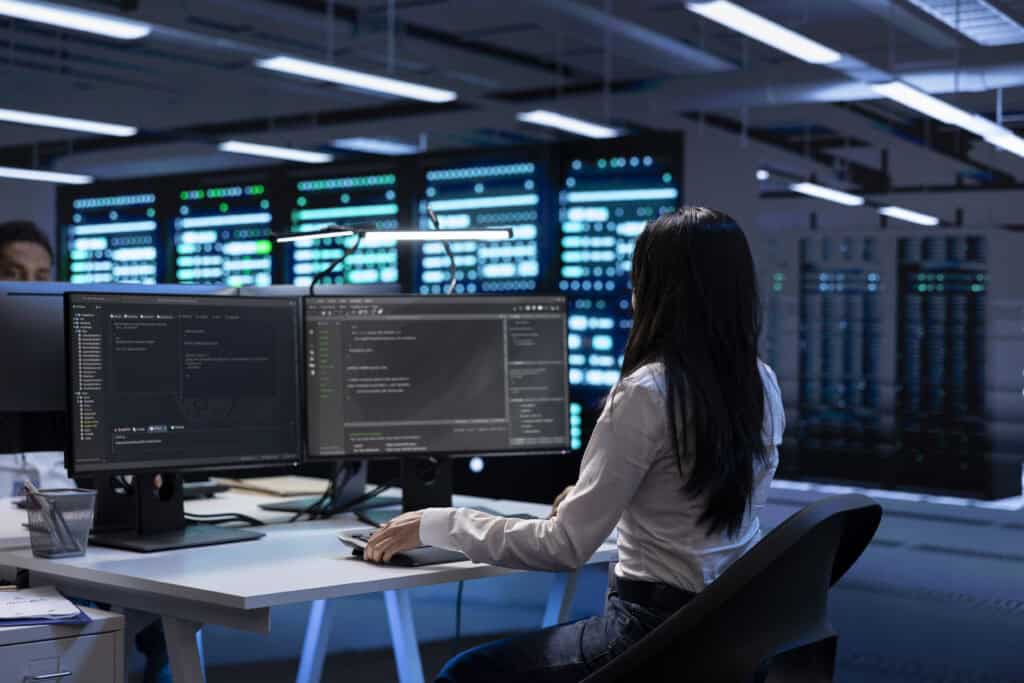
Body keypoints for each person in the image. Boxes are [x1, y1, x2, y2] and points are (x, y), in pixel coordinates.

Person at [364, 207, 785, 683]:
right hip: (729, 631)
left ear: (655, 292)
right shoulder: (760, 383)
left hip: (651, 635)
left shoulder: (647, 392)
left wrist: (438, 524)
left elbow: (563, 547)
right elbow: (693, 500)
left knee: (468, 673)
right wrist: (604, 499)